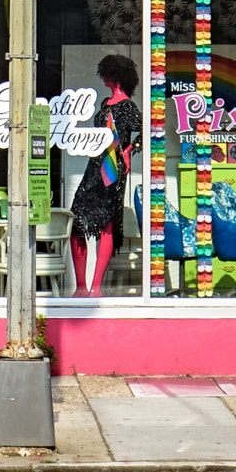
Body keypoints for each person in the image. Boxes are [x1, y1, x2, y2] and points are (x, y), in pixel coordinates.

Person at [68, 53, 141, 297]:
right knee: (77, 221)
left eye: (106, 75)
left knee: (108, 224)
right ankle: (81, 286)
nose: (103, 79)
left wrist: (129, 151)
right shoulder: (103, 104)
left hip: (113, 169)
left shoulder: (128, 107)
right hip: (94, 166)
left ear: (115, 77)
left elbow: (145, 131)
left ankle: (96, 287)